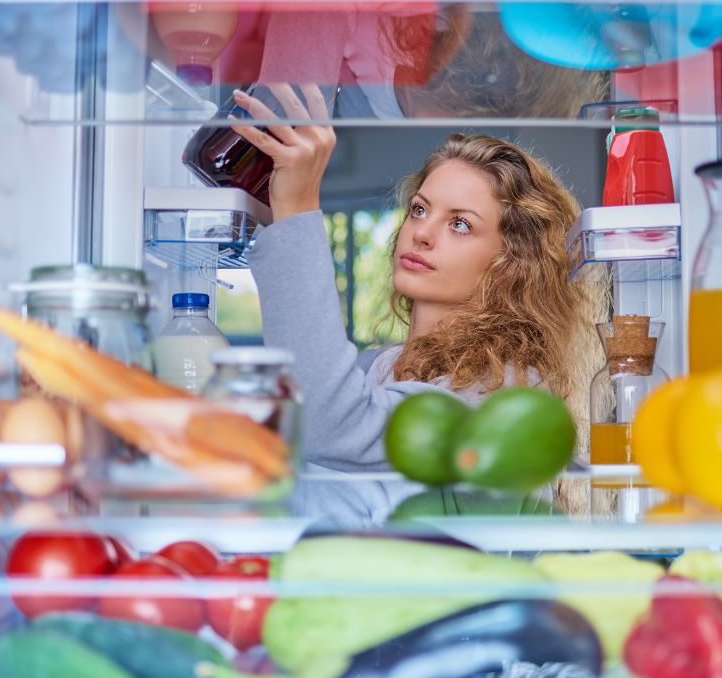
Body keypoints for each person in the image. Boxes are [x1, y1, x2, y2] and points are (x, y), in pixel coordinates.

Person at [234, 84, 604, 475]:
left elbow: (329, 425)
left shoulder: (503, 391)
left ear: (512, 264)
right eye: (419, 209)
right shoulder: (379, 366)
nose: (422, 232)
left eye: (460, 224)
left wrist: (296, 211)